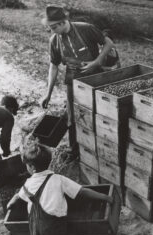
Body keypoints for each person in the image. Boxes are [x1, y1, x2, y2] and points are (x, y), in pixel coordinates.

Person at [7, 136, 112, 235]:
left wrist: (11, 203)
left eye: (27, 166)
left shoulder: (28, 183)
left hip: (34, 228)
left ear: (31, 167)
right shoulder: (58, 179)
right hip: (54, 227)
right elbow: (82, 192)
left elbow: (18, 196)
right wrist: (104, 197)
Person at [41, 5, 115, 162]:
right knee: (72, 115)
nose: (52, 31)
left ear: (63, 22)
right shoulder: (54, 40)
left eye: (54, 27)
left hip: (94, 77)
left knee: (98, 112)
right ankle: (74, 149)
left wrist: (97, 61)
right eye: (50, 27)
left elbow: (108, 43)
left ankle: (103, 146)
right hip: (73, 80)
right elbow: (53, 66)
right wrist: (48, 94)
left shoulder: (86, 29)